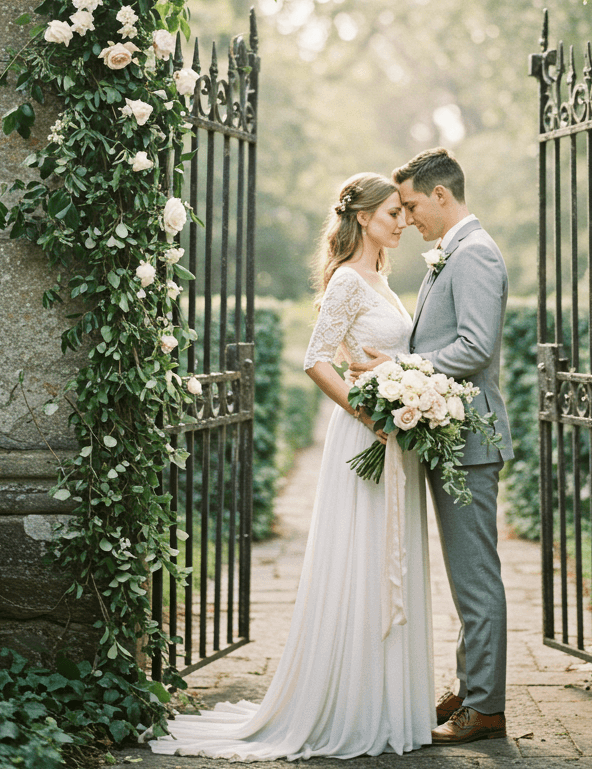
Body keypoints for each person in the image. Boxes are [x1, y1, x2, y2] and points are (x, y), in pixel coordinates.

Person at [150, 173, 435, 760]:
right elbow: (316, 360)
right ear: (362, 217)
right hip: (365, 435)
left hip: (395, 436)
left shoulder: (381, 279)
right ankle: (348, 704)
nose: (403, 222)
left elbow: (385, 354)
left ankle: (386, 702)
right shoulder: (348, 281)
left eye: (403, 213)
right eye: (392, 214)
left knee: (391, 557)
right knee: (360, 559)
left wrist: (408, 384)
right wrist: (370, 415)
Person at [350, 147, 511, 746]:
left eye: (414, 204)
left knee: (476, 577)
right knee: (466, 575)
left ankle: (486, 708)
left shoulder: (475, 254)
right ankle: (472, 689)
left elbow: (474, 347)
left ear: (441, 195)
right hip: (452, 436)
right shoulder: (454, 252)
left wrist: (398, 368)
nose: (409, 217)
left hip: (470, 440)